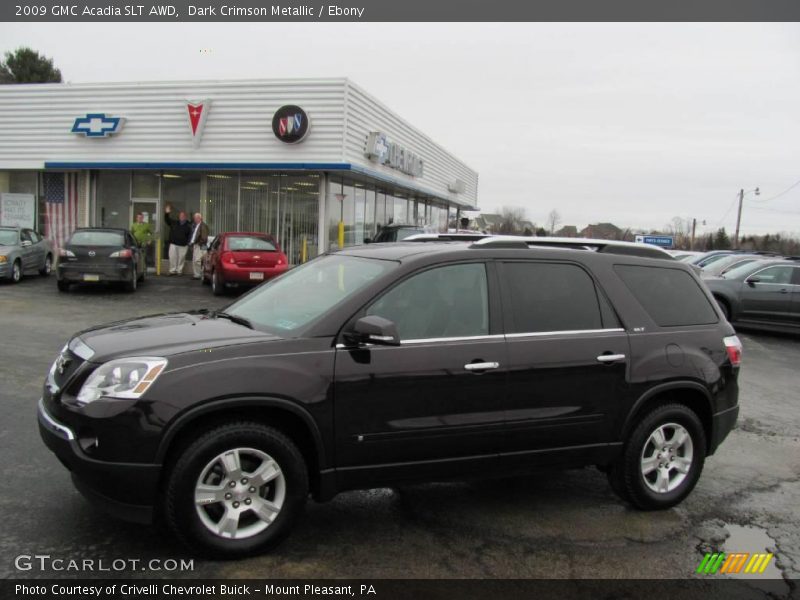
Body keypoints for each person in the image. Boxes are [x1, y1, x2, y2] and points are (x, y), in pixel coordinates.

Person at [164, 205, 192, 275]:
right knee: (172, 257)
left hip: (183, 244)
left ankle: (179, 271)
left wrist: (189, 243)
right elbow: (167, 220)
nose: (181, 217)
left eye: (183, 216)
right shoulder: (174, 223)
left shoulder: (189, 225)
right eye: (180, 216)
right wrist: (167, 213)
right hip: (173, 243)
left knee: (181, 259)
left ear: (185, 217)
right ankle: (172, 270)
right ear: (179, 216)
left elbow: (190, 235)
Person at [189, 212, 210, 280]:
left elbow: (204, 238)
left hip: (200, 245)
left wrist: (199, 243)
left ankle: (198, 275)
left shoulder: (202, 225)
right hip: (199, 245)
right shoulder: (197, 225)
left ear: (199, 218)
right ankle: (198, 274)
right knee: (197, 260)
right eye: (194, 218)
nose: (194, 219)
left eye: (195, 218)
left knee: (197, 260)